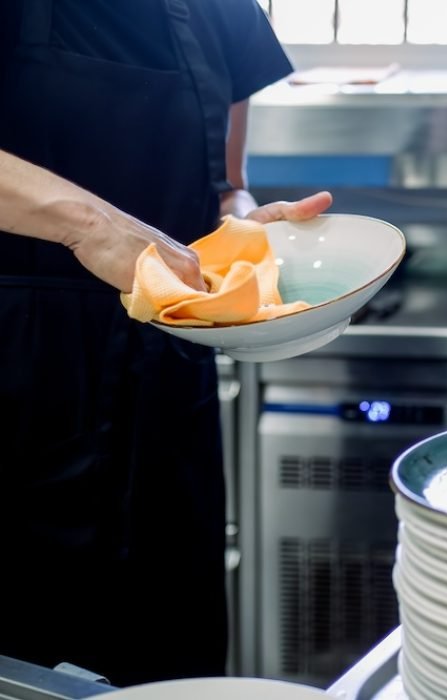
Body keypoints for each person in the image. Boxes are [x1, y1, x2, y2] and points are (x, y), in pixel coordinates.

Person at [0, 0, 332, 687]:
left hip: (165, 387)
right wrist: (92, 226)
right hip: (22, 374)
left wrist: (246, 236)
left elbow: (222, 189)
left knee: (168, 655)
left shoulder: (221, 12)